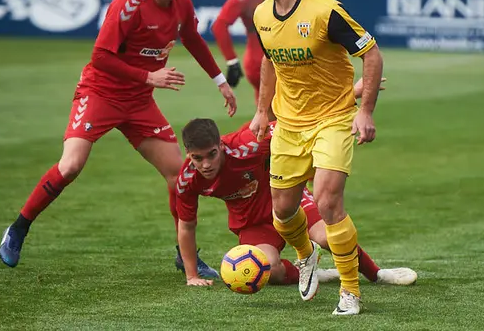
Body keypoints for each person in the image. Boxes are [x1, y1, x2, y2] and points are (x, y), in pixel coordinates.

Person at [0, 0, 238, 275]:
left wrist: (219, 81)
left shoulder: (181, 3)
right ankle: (18, 229)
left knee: (179, 173)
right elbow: (100, 57)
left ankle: (185, 255)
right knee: (70, 167)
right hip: (100, 94)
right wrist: (148, 76)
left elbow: (193, 39)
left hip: (138, 102)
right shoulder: (130, 3)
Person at [246, 0, 385, 315]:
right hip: (288, 126)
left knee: (327, 200)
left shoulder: (325, 11)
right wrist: (262, 111)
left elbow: (371, 53)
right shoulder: (261, 15)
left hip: (334, 119)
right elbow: (268, 60)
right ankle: (306, 255)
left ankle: (350, 292)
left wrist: (365, 109)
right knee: (283, 212)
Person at [175, 88, 415, 289]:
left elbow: (299, 124)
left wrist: (352, 93)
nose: (206, 164)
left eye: (212, 155)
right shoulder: (187, 179)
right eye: (198, 158)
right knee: (268, 269)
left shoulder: (248, 144)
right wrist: (191, 276)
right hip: (253, 223)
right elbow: (186, 225)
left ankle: (377, 274)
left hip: (288, 199)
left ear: (220, 145)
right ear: (188, 154)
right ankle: (311, 272)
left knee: (326, 237)